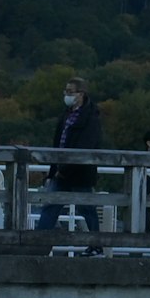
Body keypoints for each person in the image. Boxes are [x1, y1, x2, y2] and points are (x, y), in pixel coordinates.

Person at [40, 75, 106, 232]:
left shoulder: (91, 118)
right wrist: (54, 171)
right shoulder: (66, 115)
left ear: (81, 94)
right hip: (60, 169)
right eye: (66, 91)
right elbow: (58, 143)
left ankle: (95, 245)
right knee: (50, 206)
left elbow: (86, 146)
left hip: (80, 172)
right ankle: (37, 242)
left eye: (70, 92)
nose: (66, 95)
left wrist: (64, 170)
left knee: (86, 209)